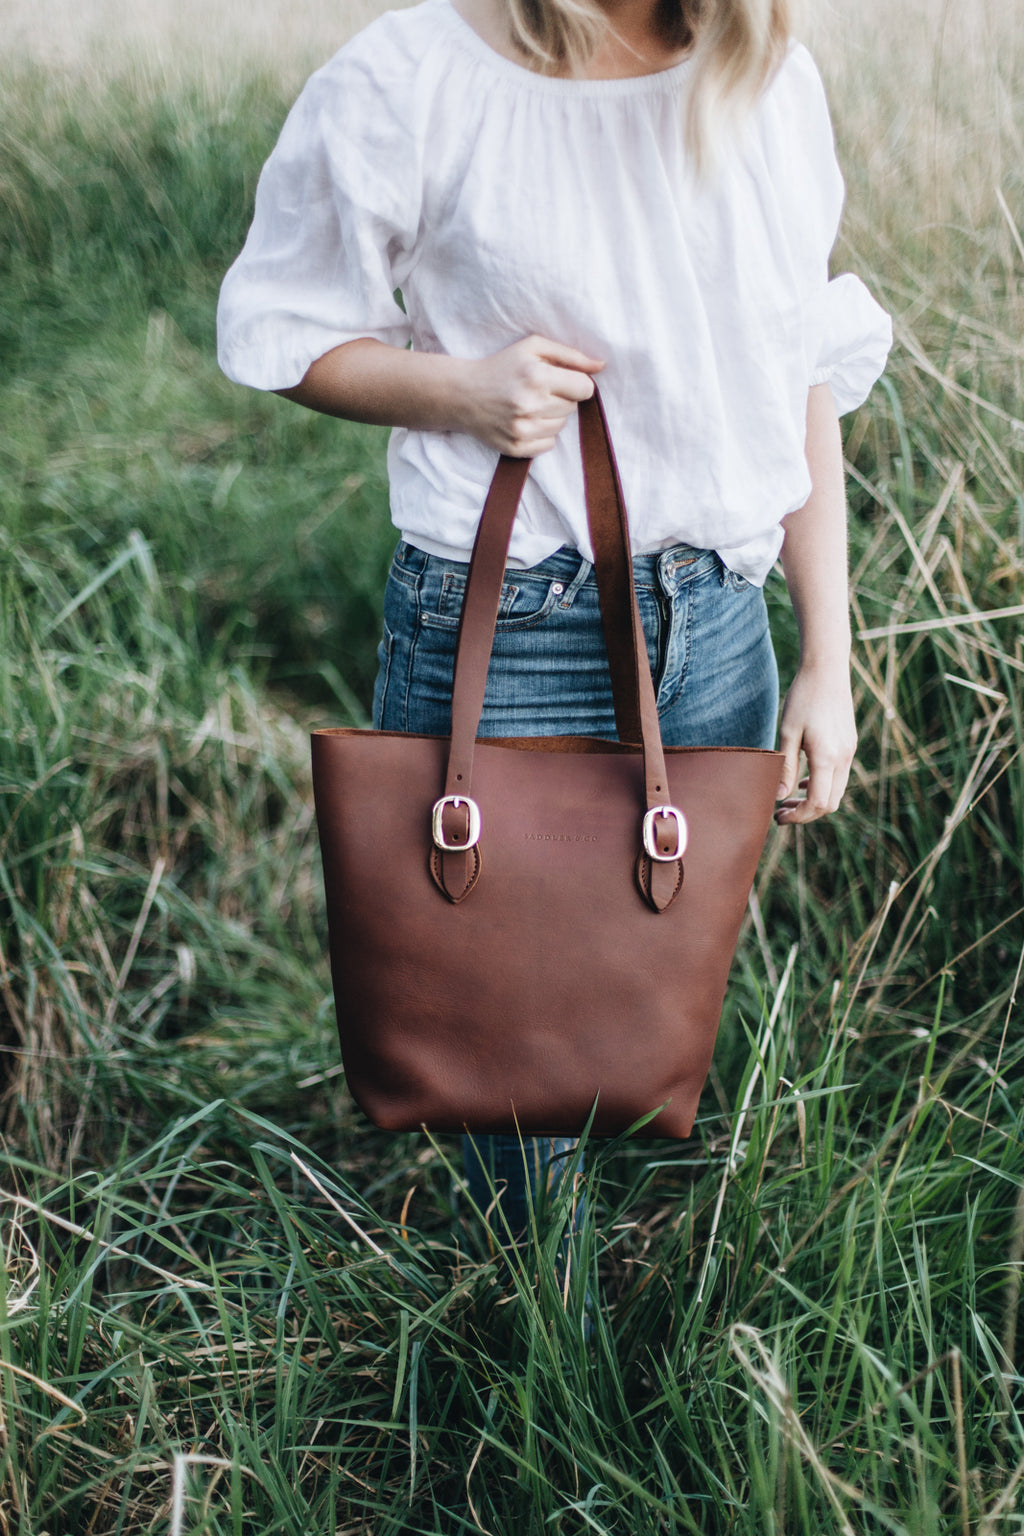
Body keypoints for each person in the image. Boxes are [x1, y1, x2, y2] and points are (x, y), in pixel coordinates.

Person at [217, 0, 892, 1239]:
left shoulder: (764, 77)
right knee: (505, 1074)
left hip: (720, 623)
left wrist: (828, 659)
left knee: (647, 1000)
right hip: (516, 628)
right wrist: (459, 390)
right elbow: (280, 328)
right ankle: (544, 1354)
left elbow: (801, 373)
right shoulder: (414, 76)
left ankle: (624, 1297)